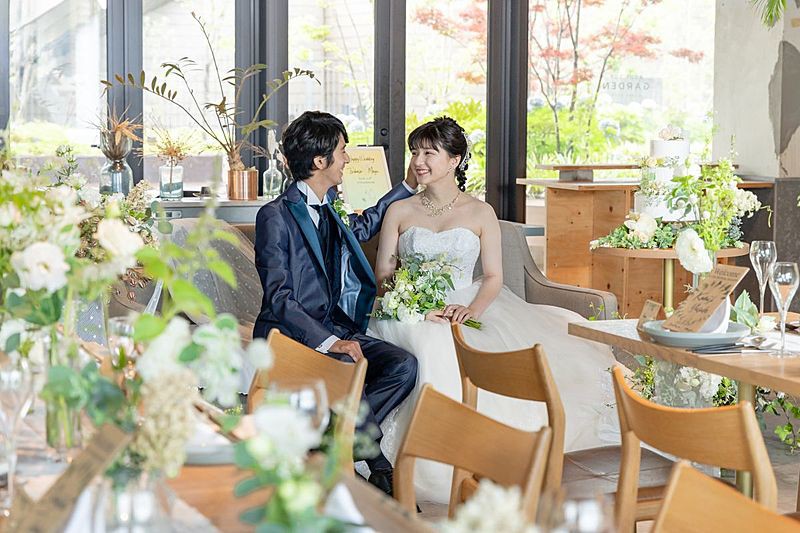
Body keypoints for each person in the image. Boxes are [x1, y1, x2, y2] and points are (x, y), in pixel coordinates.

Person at [369, 116, 620, 503]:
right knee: (430, 345)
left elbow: (493, 277)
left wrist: (471, 310)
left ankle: (479, 455)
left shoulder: (480, 212)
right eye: (415, 152)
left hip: (467, 304)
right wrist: (416, 307)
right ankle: (397, 457)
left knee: (467, 348)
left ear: (454, 160)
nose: (418, 161)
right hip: (410, 311)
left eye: (429, 153)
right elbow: (385, 275)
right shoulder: (399, 211)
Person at [253, 111, 419, 495]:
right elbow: (279, 298)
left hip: (335, 327)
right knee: (345, 364)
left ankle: (331, 442)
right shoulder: (274, 216)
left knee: (403, 365)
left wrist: (406, 187)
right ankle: (379, 465)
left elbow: (363, 227)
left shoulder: (331, 205)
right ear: (319, 161)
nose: (347, 158)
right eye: (343, 151)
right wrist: (330, 343)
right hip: (292, 337)